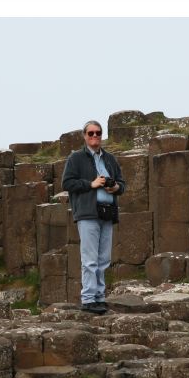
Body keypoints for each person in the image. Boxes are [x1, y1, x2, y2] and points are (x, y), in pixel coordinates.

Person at [61, 120, 126, 314]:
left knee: (104, 259)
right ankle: (88, 299)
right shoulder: (76, 159)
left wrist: (114, 187)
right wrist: (91, 184)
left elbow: (122, 184)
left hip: (108, 212)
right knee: (89, 259)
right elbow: (67, 183)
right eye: (91, 133)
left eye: (98, 133)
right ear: (84, 136)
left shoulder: (110, 159)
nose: (95, 136)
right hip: (87, 213)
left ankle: (100, 297)